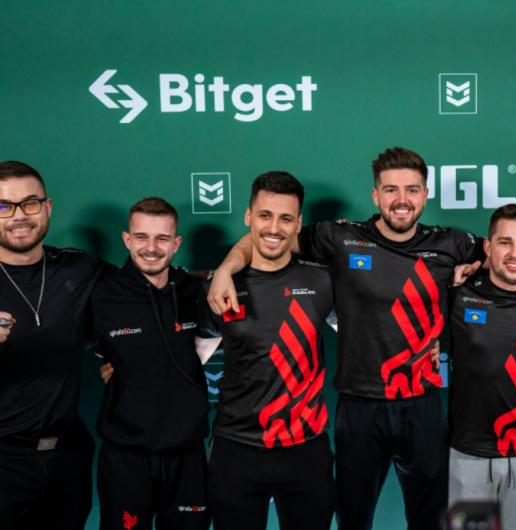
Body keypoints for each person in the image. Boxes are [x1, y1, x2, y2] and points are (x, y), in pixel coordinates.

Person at [206, 148, 516, 529]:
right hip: (359, 409)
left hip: (422, 407)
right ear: (375, 195)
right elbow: (271, 239)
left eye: (412, 190)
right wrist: (225, 269)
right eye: (391, 190)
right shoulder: (341, 237)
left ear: (425, 195)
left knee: (430, 520)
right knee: (354, 519)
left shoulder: (451, 243)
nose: (402, 200)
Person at [200, 172, 337, 530]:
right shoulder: (219, 287)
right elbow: (187, 357)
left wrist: (427, 342)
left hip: (307, 449)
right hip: (235, 450)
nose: (274, 228)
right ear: (248, 216)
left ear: (299, 224)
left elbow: (369, 333)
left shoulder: (323, 280)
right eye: (264, 215)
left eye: (285, 218)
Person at [90, 197, 219, 530]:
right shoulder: (101, 295)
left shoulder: (195, 291)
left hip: (187, 453)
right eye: (141, 237)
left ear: (176, 243)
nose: (151, 248)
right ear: (126, 239)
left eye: (162, 238)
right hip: (126, 455)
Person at [0, 161, 111, 528]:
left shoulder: (78, 267)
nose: (19, 216)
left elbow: (148, 290)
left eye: (30, 203)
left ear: (47, 207)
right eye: (4, 206)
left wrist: (128, 356)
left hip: (67, 458)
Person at [448, 204, 516, 530]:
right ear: (487, 246)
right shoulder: (457, 292)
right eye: (505, 242)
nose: (514, 253)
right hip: (468, 455)